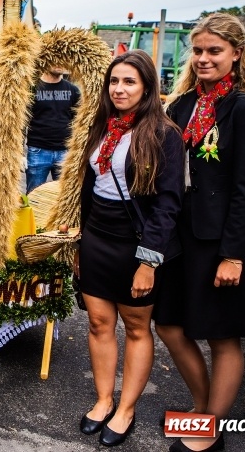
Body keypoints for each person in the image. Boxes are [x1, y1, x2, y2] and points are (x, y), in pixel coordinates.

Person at [153, 12, 245, 452]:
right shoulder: (181, 105)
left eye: (214, 51)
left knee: (222, 335)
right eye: (199, 51)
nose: (204, 59)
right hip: (178, 237)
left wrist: (234, 254)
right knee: (168, 324)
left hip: (219, 241)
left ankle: (209, 428)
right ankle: (204, 410)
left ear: (236, 55)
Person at [73, 50, 184, 447]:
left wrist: (148, 262)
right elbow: (89, 187)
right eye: (114, 81)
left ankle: (127, 408)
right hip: (97, 237)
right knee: (99, 324)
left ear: (147, 87)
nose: (119, 89)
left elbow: (169, 204)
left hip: (137, 243)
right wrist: (78, 241)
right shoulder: (103, 125)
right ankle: (104, 400)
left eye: (129, 82)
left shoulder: (164, 133)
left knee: (137, 328)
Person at [25, 64, 81, 193]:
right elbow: (22, 121)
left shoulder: (73, 90)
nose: (60, 63)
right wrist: (18, 152)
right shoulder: (32, 89)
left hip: (65, 152)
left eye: (63, 60)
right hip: (38, 151)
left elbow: (79, 121)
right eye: (55, 59)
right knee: (34, 195)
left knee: (64, 197)